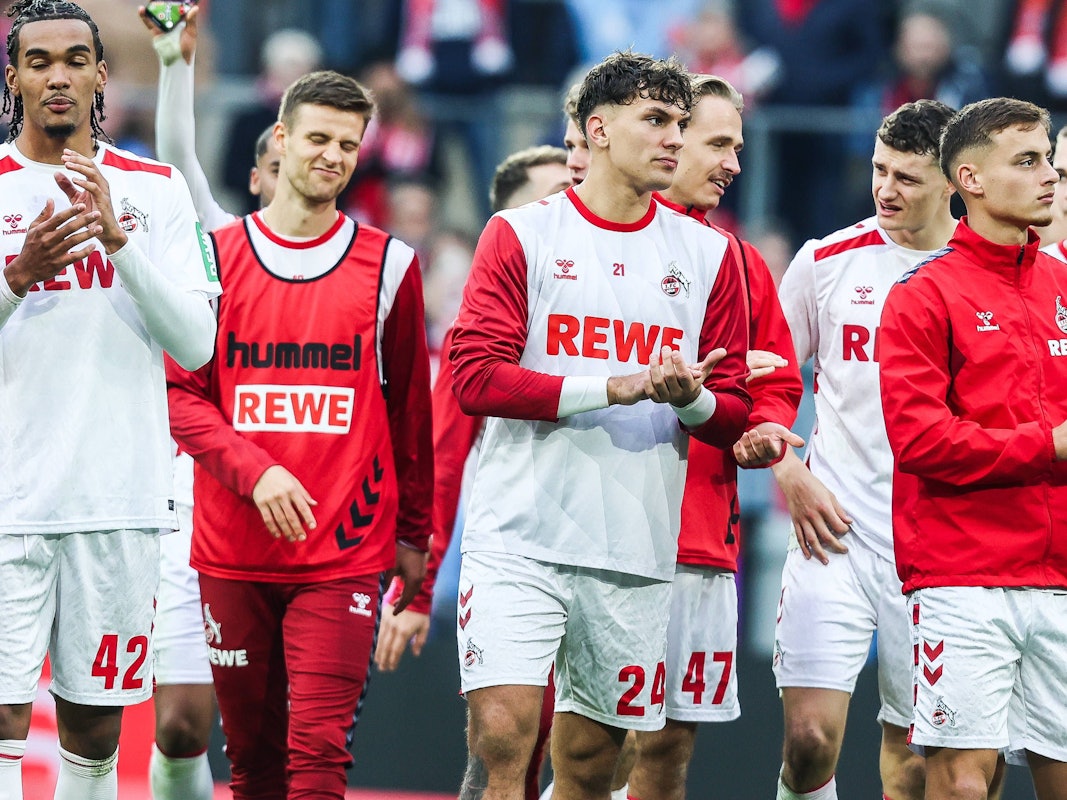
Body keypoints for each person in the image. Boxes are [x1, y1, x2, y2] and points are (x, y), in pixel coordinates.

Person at [449, 51, 752, 800]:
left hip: (632, 546)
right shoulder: (517, 234)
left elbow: (737, 409)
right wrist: (611, 387)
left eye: (681, 125)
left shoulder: (711, 257)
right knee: (501, 735)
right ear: (598, 129)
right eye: (655, 120)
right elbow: (474, 378)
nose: (673, 140)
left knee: (592, 764)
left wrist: (690, 400)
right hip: (516, 535)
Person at [165, 70, 433, 800]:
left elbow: (412, 418)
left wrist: (416, 541)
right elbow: (179, 396)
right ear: (279, 141)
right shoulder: (214, 257)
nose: (333, 156)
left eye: (348, 144)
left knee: (317, 755)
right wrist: (257, 472)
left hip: (342, 554)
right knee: (252, 762)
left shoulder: (392, 266)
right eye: (318, 138)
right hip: (232, 548)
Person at [0, 0, 219, 798]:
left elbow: (197, 344)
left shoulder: (157, 192)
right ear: (14, 76)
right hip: (8, 503)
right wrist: (14, 280)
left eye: (73, 59)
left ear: (100, 72)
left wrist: (120, 247)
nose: (57, 75)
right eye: (37, 60)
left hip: (119, 503)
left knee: (95, 730)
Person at [879, 96, 1067, 800]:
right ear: (971, 179)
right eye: (1026, 161)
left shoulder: (1063, 284)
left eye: (1046, 159)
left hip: (1060, 578)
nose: (1048, 175)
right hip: (962, 577)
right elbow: (920, 440)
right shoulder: (922, 295)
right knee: (959, 786)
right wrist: (1046, 445)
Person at [771, 100, 958, 800]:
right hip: (835, 533)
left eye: (906, 177)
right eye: (879, 170)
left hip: (940, 551)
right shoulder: (824, 261)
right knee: (807, 741)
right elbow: (762, 388)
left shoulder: (984, 274)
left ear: (953, 182)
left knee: (911, 764)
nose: (884, 189)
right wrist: (786, 470)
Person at [626, 73, 804, 800]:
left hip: (700, 531)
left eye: (736, 144)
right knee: (593, 743)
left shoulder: (736, 259)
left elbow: (778, 382)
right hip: (602, 529)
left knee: (668, 748)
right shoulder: (589, 241)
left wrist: (765, 430)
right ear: (667, 139)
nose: (733, 161)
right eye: (718, 142)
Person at [376, 144, 570, 800]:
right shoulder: (480, 331)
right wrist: (419, 590)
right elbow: (444, 460)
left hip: (617, 558)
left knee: (608, 754)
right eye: (541, 205)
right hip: (512, 557)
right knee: (506, 739)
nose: (557, 218)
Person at [137, 5, 281, 799]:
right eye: (279, 152)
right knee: (183, 727)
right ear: (259, 173)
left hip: (299, 512)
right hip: (201, 503)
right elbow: (178, 157)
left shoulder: (368, 264)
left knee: (283, 730)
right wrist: (173, 61)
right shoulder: (223, 244)